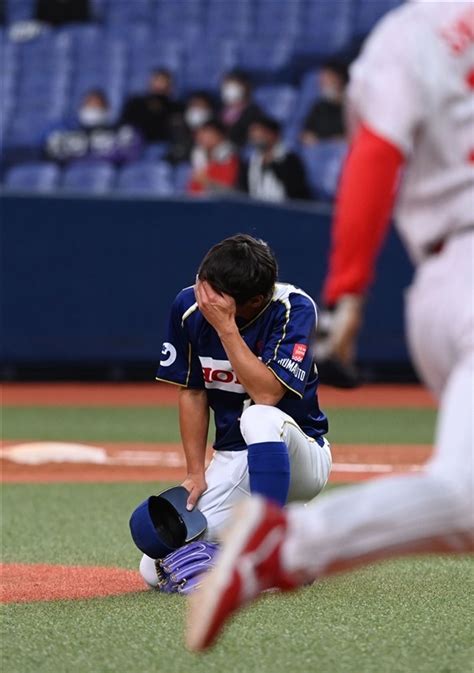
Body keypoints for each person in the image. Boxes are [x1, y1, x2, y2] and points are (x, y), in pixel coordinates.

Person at [186, 0, 474, 651]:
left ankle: (282, 543)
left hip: (449, 271)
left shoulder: (410, 35)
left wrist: (348, 292)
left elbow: (373, 156)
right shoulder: (417, 33)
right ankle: (287, 543)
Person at [139, 234, 332, 587]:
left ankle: (268, 547)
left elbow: (266, 393)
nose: (205, 298)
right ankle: (296, 543)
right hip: (232, 459)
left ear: (255, 300)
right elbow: (193, 392)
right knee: (155, 566)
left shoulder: (293, 308)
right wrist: (196, 472)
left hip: (299, 452)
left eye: (216, 296)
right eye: (203, 285)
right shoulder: (188, 308)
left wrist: (226, 327)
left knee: (258, 416)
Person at [43, 89, 142, 164]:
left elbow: (129, 154)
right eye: (88, 104)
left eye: (96, 105)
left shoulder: (120, 131)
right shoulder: (68, 132)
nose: (92, 109)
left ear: (106, 108)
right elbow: (49, 151)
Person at [242, 115, 311, 202]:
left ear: (274, 134)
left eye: (261, 132)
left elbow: (296, 193)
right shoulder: (251, 162)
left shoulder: (290, 161)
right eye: (253, 134)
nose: (256, 137)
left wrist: (274, 164)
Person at [119, 68, 181, 142]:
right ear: (150, 82)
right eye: (157, 80)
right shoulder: (136, 103)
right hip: (136, 144)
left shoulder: (176, 107)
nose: (159, 85)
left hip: (163, 144)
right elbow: (125, 124)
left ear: (170, 85)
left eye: (163, 81)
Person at [300, 60, 348, 145]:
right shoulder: (319, 107)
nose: (323, 83)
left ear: (341, 78)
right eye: (322, 80)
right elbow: (305, 135)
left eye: (328, 79)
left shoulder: (354, 106)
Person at [187, 119, 240, 195]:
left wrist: (207, 182)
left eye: (208, 133)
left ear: (220, 135)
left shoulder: (229, 158)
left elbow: (230, 190)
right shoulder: (198, 156)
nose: (202, 137)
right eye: (201, 133)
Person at [166, 91, 215, 165]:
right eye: (193, 106)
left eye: (201, 106)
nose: (196, 110)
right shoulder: (178, 130)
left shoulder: (216, 133)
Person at [220, 71, 263, 147]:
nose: (230, 89)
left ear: (245, 87)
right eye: (227, 85)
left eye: (234, 85)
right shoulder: (220, 111)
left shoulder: (253, 111)